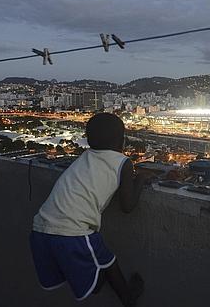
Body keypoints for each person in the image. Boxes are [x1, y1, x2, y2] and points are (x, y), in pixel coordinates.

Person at [30, 113, 146, 306]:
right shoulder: (123, 163)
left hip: (40, 228)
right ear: (122, 140)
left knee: (98, 261)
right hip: (72, 233)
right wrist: (140, 180)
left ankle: (96, 278)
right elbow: (127, 206)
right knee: (107, 263)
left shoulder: (84, 157)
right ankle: (127, 297)